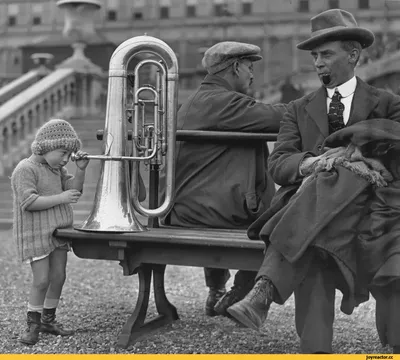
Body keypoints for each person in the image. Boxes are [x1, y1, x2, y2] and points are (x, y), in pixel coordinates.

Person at [226, 9, 400, 354]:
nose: (318, 63)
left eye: (326, 54)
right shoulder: (297, 109)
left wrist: (350, 157)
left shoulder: (387, 103)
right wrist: (312, 163)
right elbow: (279, 164)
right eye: (315, 56)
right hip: (314, 215)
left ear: (353, 55)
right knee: (315, 244)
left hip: (374, 209)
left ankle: (265, 289)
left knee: (341, 179)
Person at [162, 41, 287, 317]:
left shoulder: (194, 101)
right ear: (235, 67)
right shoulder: (225, 103)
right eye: (250, 67)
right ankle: (242, 291)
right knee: (282, 217)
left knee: (230, 192)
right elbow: (279, 118)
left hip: (184, 210)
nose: (253, 74)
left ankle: (217, 289)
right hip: (210, 214)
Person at [11, 119, 90, 346]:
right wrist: (61, 198)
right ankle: (33, 324)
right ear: (46, 146)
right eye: (63, 152)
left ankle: (48, 319)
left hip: (59, 233)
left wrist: (80, 171)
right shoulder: (25, 169)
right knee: (41, 280)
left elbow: (74, 191)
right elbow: (29, 201)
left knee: (58, 276)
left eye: (69, 154)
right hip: (35, 234)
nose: (66, 158)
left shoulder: (58, 169)